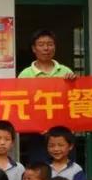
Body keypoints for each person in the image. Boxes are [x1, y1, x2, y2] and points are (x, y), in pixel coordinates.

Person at [18, 29, 75, 164]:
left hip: (63, 133)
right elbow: (21, 104)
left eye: (50, 44)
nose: (46, 48)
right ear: (34, 48)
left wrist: (74, 83)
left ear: (55, 47)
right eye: (41, 44)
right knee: (40, 171)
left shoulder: (66, 72)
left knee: (66, 170)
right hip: (37, 134)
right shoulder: (25, 75)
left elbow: (75, 100)